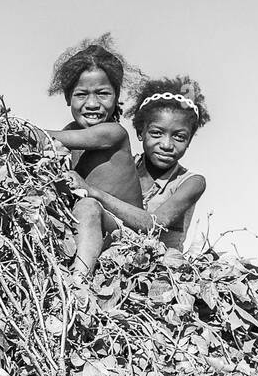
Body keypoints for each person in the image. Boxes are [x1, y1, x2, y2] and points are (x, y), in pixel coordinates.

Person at [42, 35, 144, 276]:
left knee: (88, 206)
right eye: (81, 95)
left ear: (117, 96)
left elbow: (45, 137)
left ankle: (79, 284)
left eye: (103, 94)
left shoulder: (114, 133)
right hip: (93, 229)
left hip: (127, 233)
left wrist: (13, 128)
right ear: (67, 97)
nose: (92, 104)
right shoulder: (68, 133)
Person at [75, 76, 210, 251]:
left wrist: (94, 192)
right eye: (156, 133)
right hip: (115, 250)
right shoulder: (125, 165)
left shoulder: (191, 182)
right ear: (140, 133)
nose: (167, 145)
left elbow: (155, 225)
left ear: (189, 141)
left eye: (179, 137)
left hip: (157, 267)